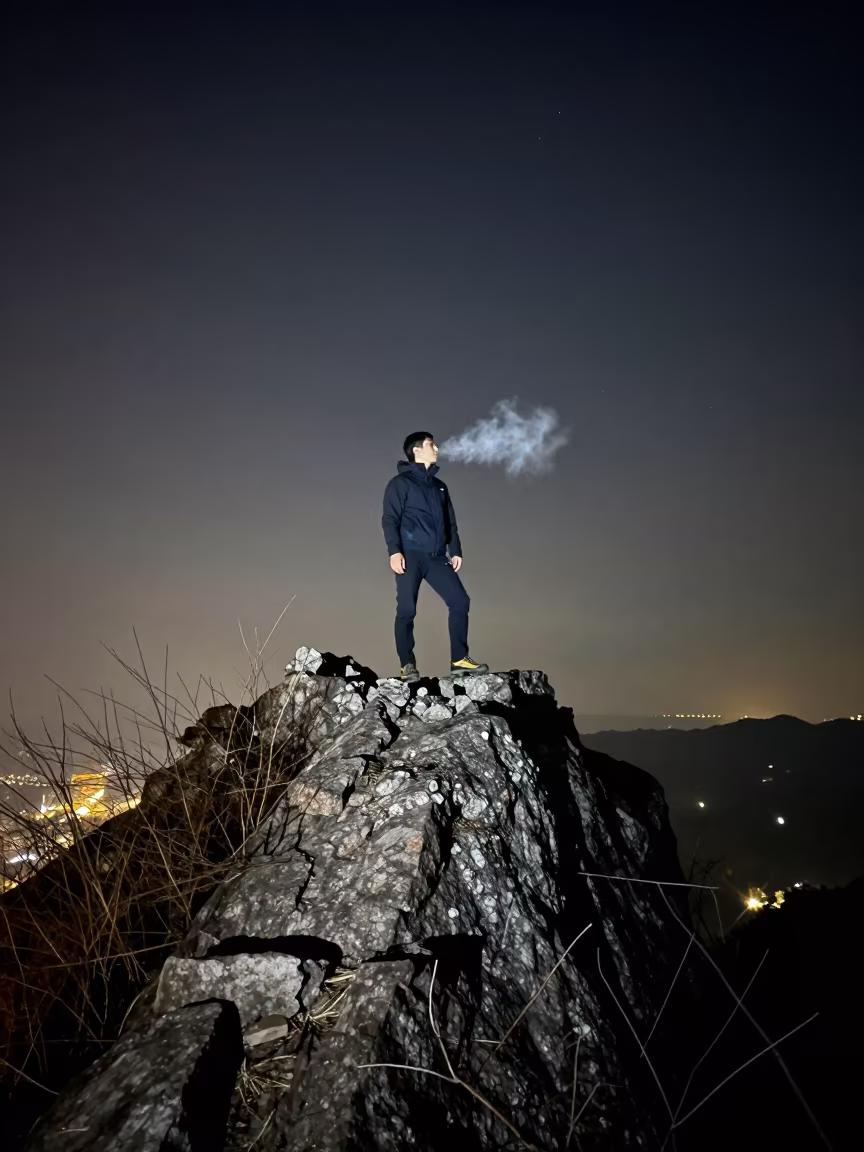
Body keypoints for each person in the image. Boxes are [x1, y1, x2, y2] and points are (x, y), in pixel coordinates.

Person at [382, 432, 488, 682]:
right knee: (407, 609)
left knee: (460, 601)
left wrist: (456, 549)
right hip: (410, 555)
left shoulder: (440, 486)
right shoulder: (400, 484)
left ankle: (460, 660)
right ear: (416, 450)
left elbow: (450, 521)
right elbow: (390, 519)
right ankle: (407, 664)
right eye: (431, 444)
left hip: (437, 557)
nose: (437, 448)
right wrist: (394, 551)